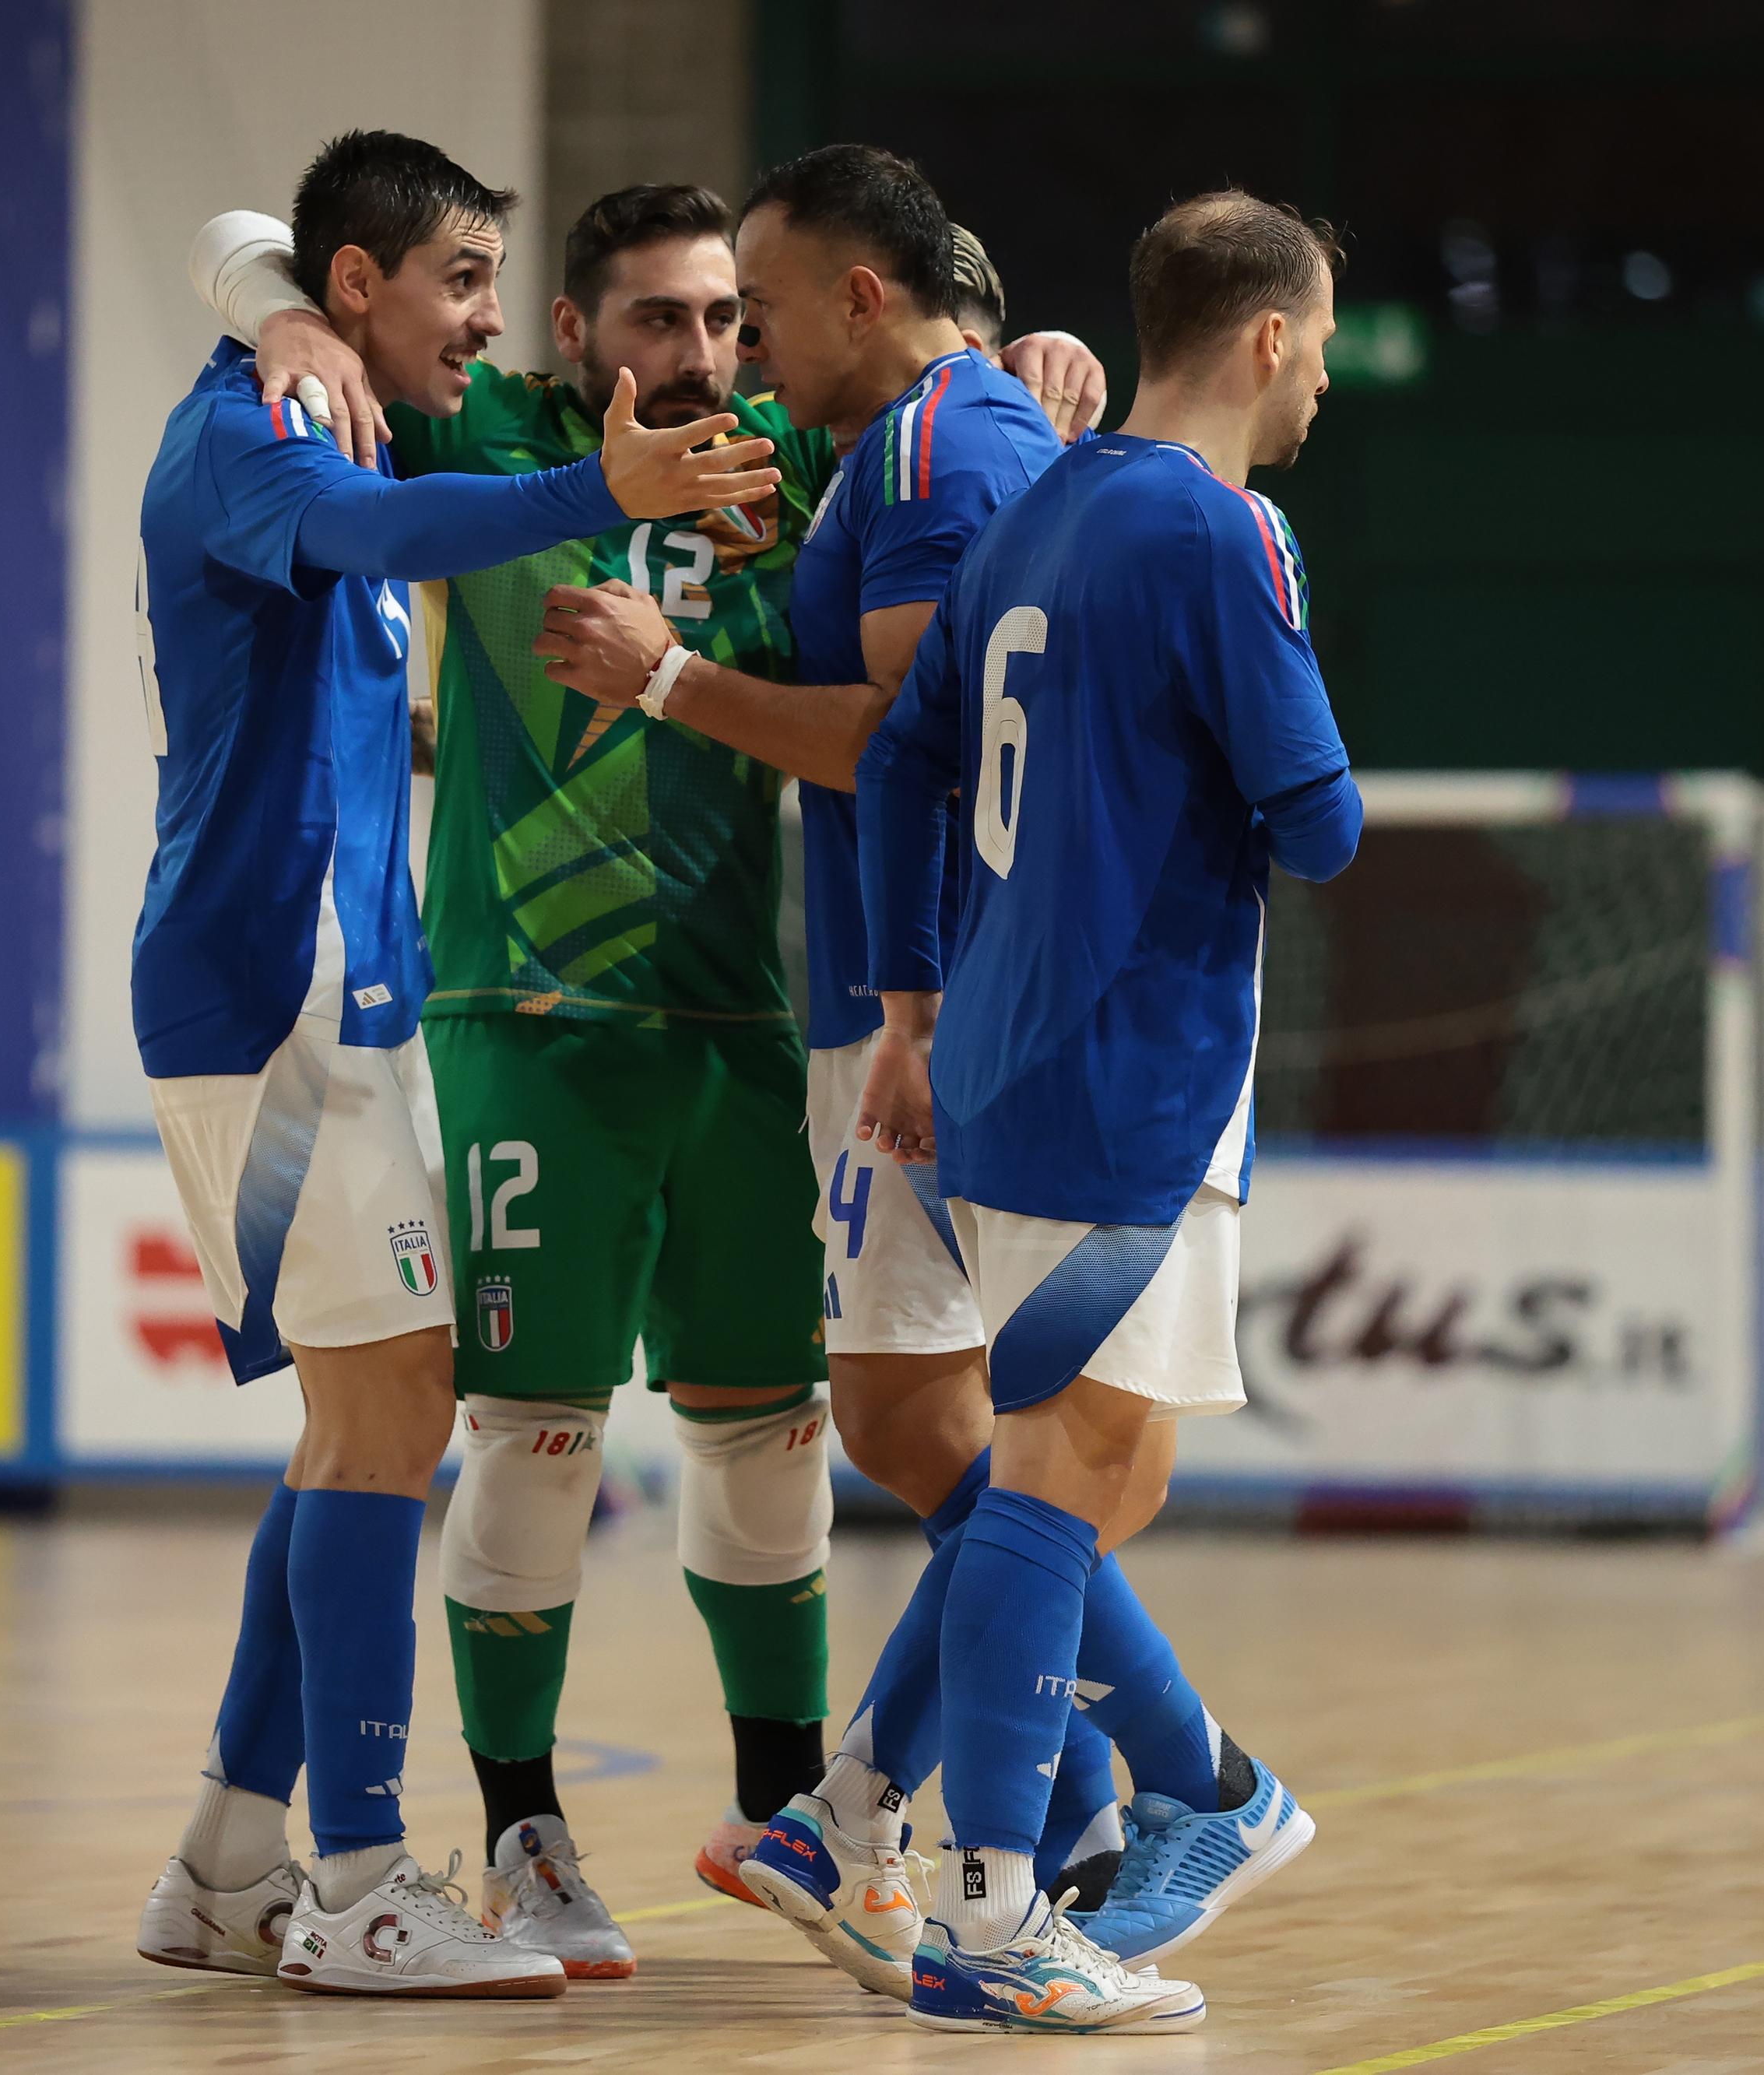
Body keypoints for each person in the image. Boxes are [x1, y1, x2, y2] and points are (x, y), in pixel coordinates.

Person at [185, 179, 1105, 1972]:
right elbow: (279, 264)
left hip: (740, 1033)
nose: (701, 353)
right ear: (570, 334)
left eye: (725, 319)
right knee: (531, 1444)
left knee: (773, 1443)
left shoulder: (798, 460)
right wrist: (272, 304)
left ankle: (793, 1820)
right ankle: (522, 1838)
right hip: (527, 1029)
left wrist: (1038, 346)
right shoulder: (495, 436)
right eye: (658, 320)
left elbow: (936, 414)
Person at [129, 130, 777, 1999]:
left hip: (353, 995)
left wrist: (264, 288)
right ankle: (353, 1878)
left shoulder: (323, 394)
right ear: (358, 288)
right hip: (272, 993)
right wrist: (593, 485)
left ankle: (229, 1862)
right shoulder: (254, 434)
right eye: (463, 282)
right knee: (392, 1410)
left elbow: (240, 239)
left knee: (369, 1420)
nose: (486, 322)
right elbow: (382, 539)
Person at [539, 142, 1144, 1992]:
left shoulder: (940, 447)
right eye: (697, 317)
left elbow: (906, 741)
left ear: (862, 298)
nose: (743, 349)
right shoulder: (895, 446)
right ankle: (1049, 1783)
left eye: (764, 310)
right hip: (904, 1006)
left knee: (1047, 1449)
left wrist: (668, 679)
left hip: (945, 1012)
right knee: (910, 1423)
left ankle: (1118, 1776)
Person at [844, 188, 1358, 2035]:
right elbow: (1319, 820)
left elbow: (894, 763)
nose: (1320, 384)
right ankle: (988, 1906)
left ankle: (884, 1815)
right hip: (1127, 1061)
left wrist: (912, 1004)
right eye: (1321, 346)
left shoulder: (1033, 504)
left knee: (1077, 1477)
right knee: (1062, 1484)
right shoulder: (1215, 528)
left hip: (995, 1056)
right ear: (1269, 336)